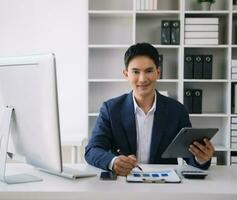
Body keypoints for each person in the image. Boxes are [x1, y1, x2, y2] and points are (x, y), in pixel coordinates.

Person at [85, 43, 215, 176]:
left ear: (158, 72)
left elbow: (190, 156)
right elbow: (92, 150)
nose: (142, 79)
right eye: (135, 72)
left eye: (149, 71)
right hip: (123, 183)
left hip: (163, 186)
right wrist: (113, 162)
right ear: (126, 74)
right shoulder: (110, 109)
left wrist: (201, 157)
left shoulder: (177, 111)